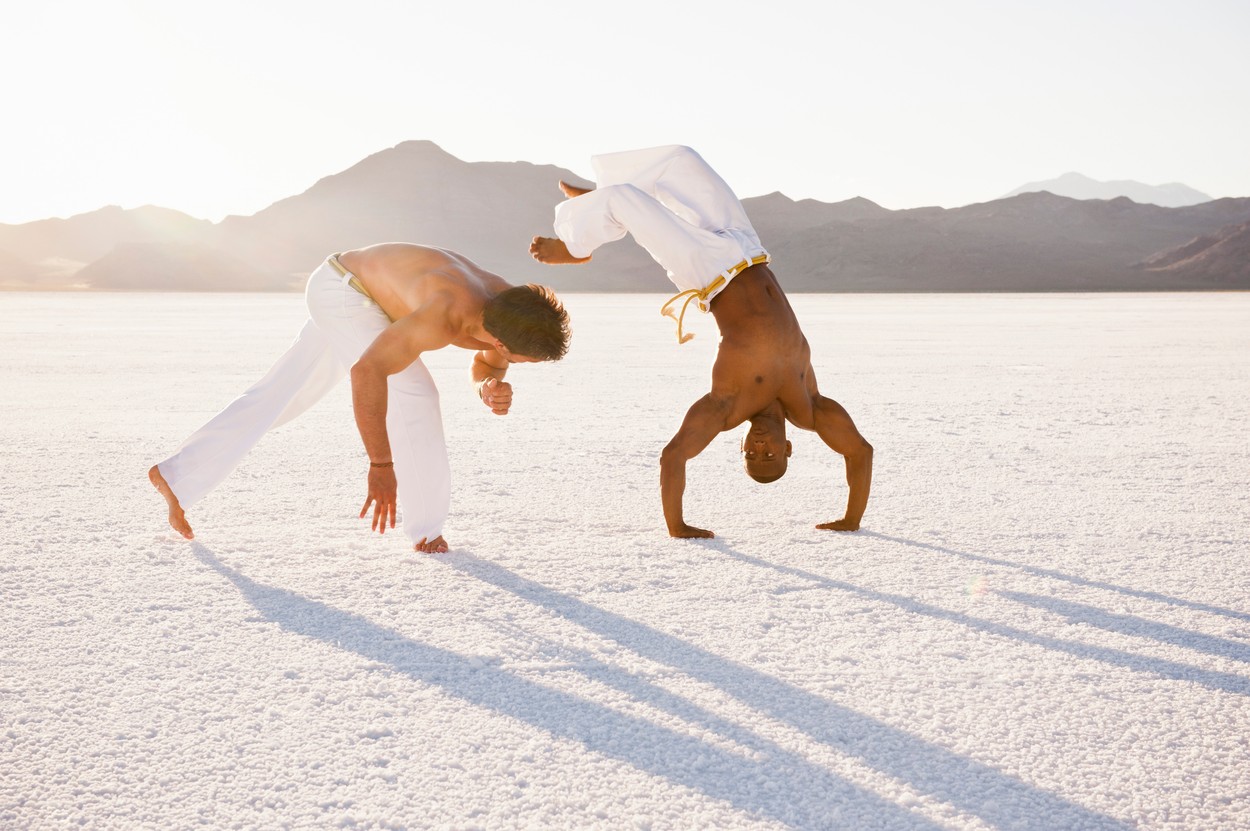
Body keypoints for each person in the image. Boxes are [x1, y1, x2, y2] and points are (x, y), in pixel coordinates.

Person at [530, 145, 871, 538]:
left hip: (708, 270)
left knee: (623, 201)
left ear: (740, 446)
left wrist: (677, 526)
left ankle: (577, 244)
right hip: (749, 250)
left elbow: (673, 457)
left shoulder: (726, 407)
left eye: (752, 454)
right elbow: (860, 452)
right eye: (770, 454)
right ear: (788, 448)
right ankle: (596, 204)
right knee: (682, 161)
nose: (760, 446)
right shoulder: (810, 406)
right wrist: (852, 519)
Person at [149, 243, 570, 553]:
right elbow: (367, 373)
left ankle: (177, 475)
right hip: (344, 290)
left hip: (376, 294)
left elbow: (489, 364)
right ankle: (427, 531)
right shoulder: (444, 313)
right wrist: (381, 465)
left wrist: (487, 387)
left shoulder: (512, 310)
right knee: (416, 392)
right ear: (498, 337)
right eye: (524, 361)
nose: (519, 365)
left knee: (285, 393)